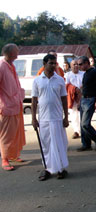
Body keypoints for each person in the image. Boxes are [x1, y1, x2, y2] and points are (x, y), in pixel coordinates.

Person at [32, 54, 69, 180]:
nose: (53, 66)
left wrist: (66, 117)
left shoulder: (59, 80)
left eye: (55, 63)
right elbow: (34, 100)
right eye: (51, 63)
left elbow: (64, 99)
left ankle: (60, 169)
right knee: (46, 145)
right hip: (43, 119)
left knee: (59, 144)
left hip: (57, 117)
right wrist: (33, 119)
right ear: (44, 64)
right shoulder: (37, 80)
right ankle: (47, 169)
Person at [0, 43, 26, 171]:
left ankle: (14, 155)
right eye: (17, 51)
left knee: (16, 133)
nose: (18, 52)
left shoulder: (11, 65)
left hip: (16, 104)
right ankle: (4, 159)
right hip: (6, 106)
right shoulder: (1, 66)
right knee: (6, 135)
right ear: (10, 53)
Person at [77, 56, 96, 152]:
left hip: (91, 99)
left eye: (80, 64)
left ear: (86, 63)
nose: (78, 66)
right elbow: (84, 87)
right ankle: (86, 144)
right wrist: (80, 100)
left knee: (85, 124)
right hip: (84, 99)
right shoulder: (85, 74)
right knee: (82, 124)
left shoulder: (94, 72)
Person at [65, 59, 84, 139]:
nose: (76, 66)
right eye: (74, 64)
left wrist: (81, 89)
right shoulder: (67, 75)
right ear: (70, 66)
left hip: (82, 96)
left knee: (82, 115)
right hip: (72, 98)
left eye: (77, 64)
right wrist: (74, 89)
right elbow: (66, 85)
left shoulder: (83, 74)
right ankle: (76, 131)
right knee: (73, 115)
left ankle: (83, 130)